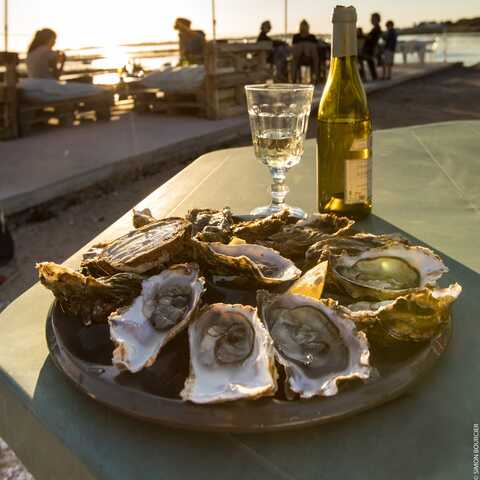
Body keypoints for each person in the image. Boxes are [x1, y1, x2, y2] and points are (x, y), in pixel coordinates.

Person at [361, 12, 382, 81]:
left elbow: (371, 38)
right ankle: (373, 76)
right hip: (369, 49)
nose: (371, 20)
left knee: (361, 60)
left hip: (369, 49)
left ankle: (363, 77)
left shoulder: (377, 28)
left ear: (377, 19)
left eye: (372, 19)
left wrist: (362, 35)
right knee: (370, 62)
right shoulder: (376, 28)